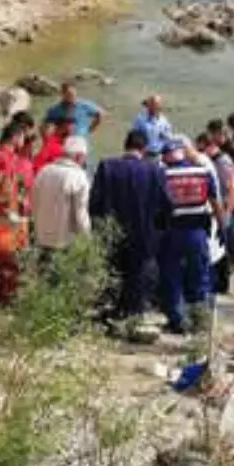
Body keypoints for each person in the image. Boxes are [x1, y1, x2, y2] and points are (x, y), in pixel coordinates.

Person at [90, 130, 172, 341]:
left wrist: (97, 231)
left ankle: (112, 320)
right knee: (138, 279)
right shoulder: (155, 171)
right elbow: (166, 205)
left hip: (113, 233)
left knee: (113, 275)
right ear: (144, 149)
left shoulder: (107, 166)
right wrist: (160, 232)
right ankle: (133, 320)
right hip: (144, 236)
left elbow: (94, 204)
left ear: (125, 145)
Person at [160, 139, 225, 335]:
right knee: (199, 275)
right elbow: (215, 203)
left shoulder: (162, 175)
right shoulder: (202, 172)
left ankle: (177, 320)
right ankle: (199, 321)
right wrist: (222, 227)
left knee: (172, 276)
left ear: (165, 157)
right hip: (197, 232)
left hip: (171, 232)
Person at [0, 121, 31, 306]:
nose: (23, 142)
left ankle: (7, 294)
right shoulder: (1, 158)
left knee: (9, 257)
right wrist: (8, 209)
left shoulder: (5, 156)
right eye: (22, 138)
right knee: (7, 258)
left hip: (8, 211)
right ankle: (6, 298)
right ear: (15, 137)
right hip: (5, 214)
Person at [31, 135, 92, 254]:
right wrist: (87, 237)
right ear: (79, 156)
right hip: (64, 242)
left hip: (41, 238)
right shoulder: (78, 176)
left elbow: (34, 202)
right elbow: (81, 213)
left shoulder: (44, 171)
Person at [205, 133, 234, 295]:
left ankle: (224, 280)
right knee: (222, 245)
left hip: (225, 210)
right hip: (222, 210)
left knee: (225, 245)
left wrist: (225, 214)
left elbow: (232, 189)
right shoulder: (217, 161)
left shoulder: (221, 161)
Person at [45, 82, 104, 147]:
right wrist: (46, 140)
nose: (72, 97)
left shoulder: (83, 105)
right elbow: (45, 125)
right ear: (62, 94)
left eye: (73, 94)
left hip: (79, 139)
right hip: (61, 140)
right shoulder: (55, 109)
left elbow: (99, 114)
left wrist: (91, 128)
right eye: (69, 94)